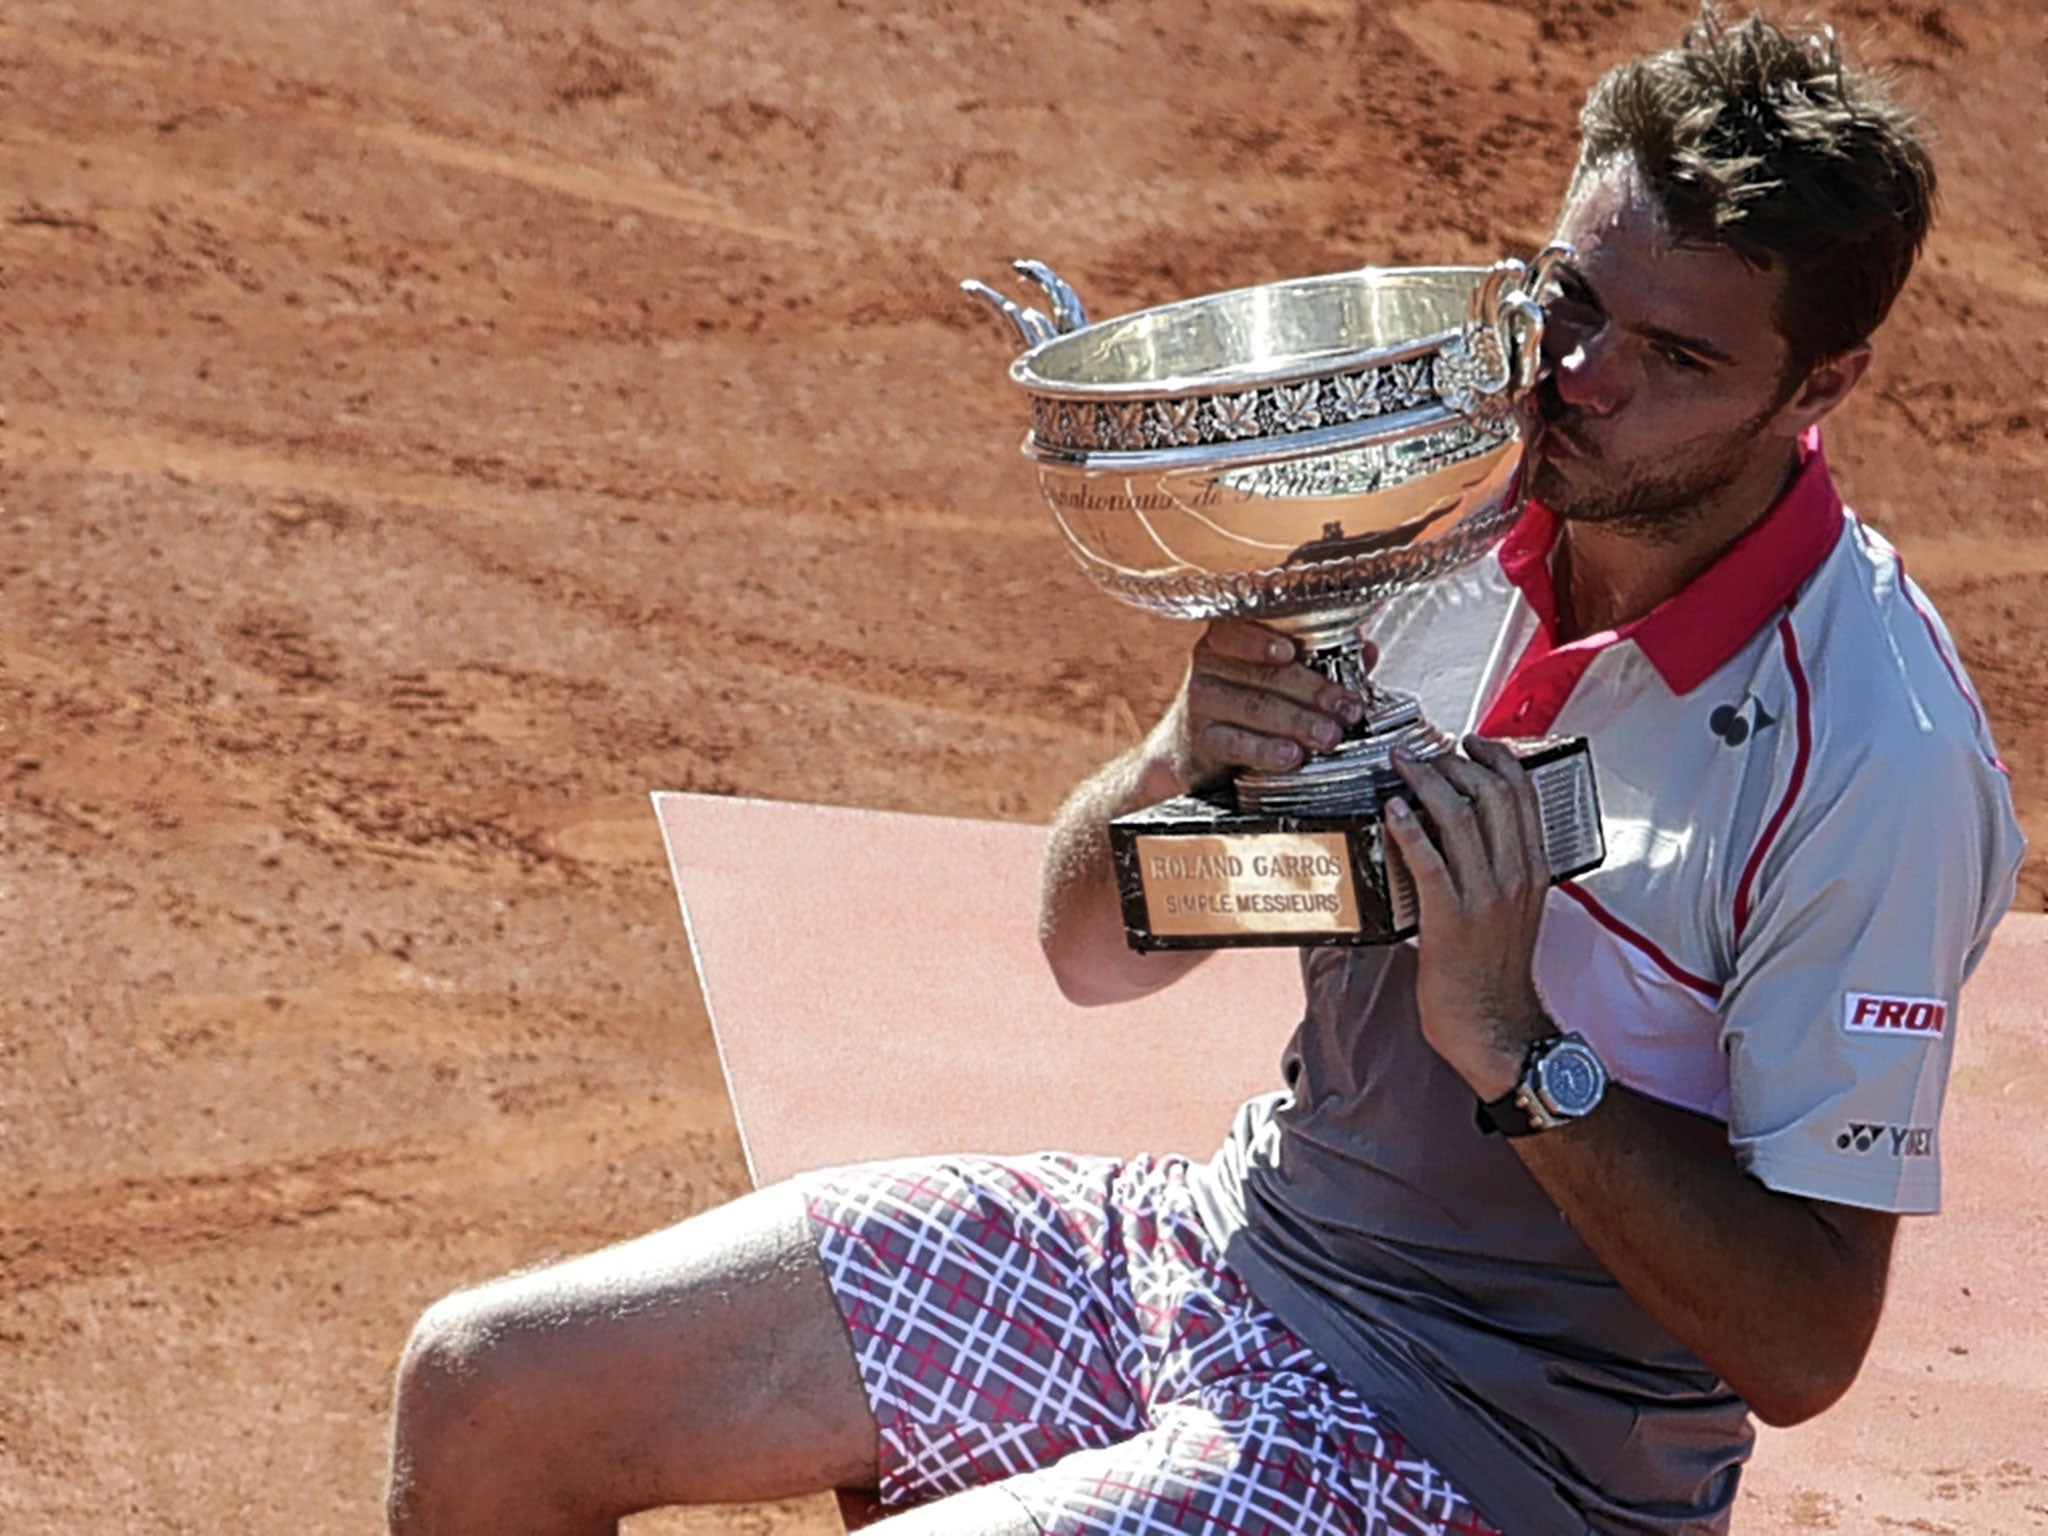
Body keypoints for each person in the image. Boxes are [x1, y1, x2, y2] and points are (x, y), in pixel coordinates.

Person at [383, 10, 2022, 1535]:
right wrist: (1187, 749)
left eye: (1677, 360)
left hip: (1490, 1451)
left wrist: (1516, 1048)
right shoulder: (1433, 508)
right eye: (1571, 300)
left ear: (1823, 384)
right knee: (489, 1392)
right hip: (1218, 1248)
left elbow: (1807, 1346)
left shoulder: (1874, 756)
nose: (1581, 380)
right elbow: (1092, 952)